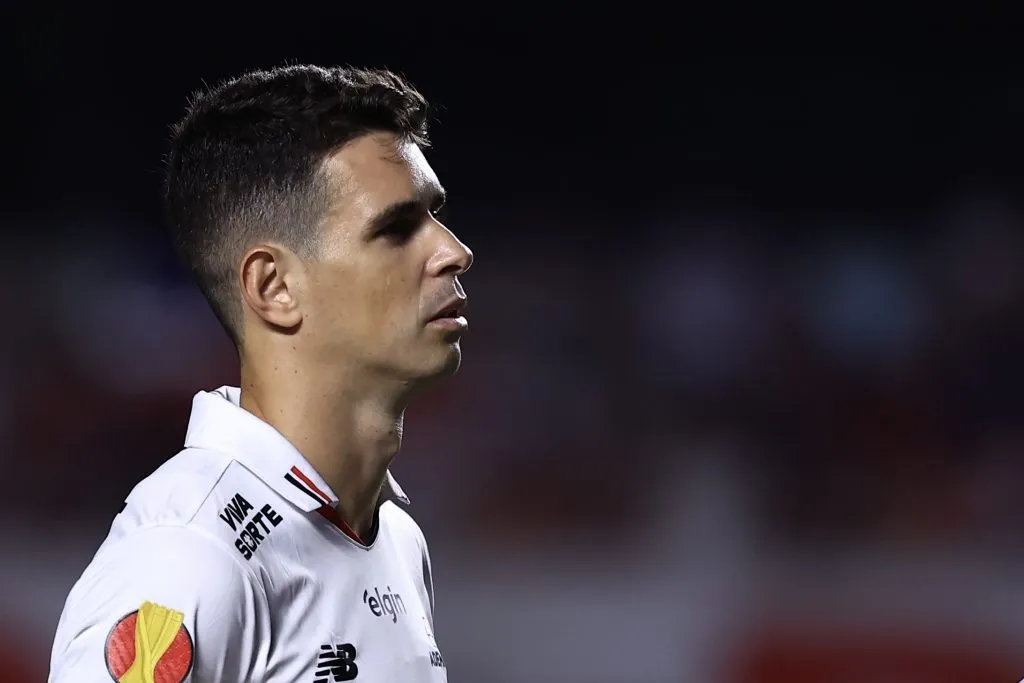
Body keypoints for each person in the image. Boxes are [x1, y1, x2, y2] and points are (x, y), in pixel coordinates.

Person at [48, 64, 472, 683]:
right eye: (396, 229)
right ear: (274, 287)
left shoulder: (397, 541)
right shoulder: (189, 554)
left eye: (435, 216)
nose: (453, 250)